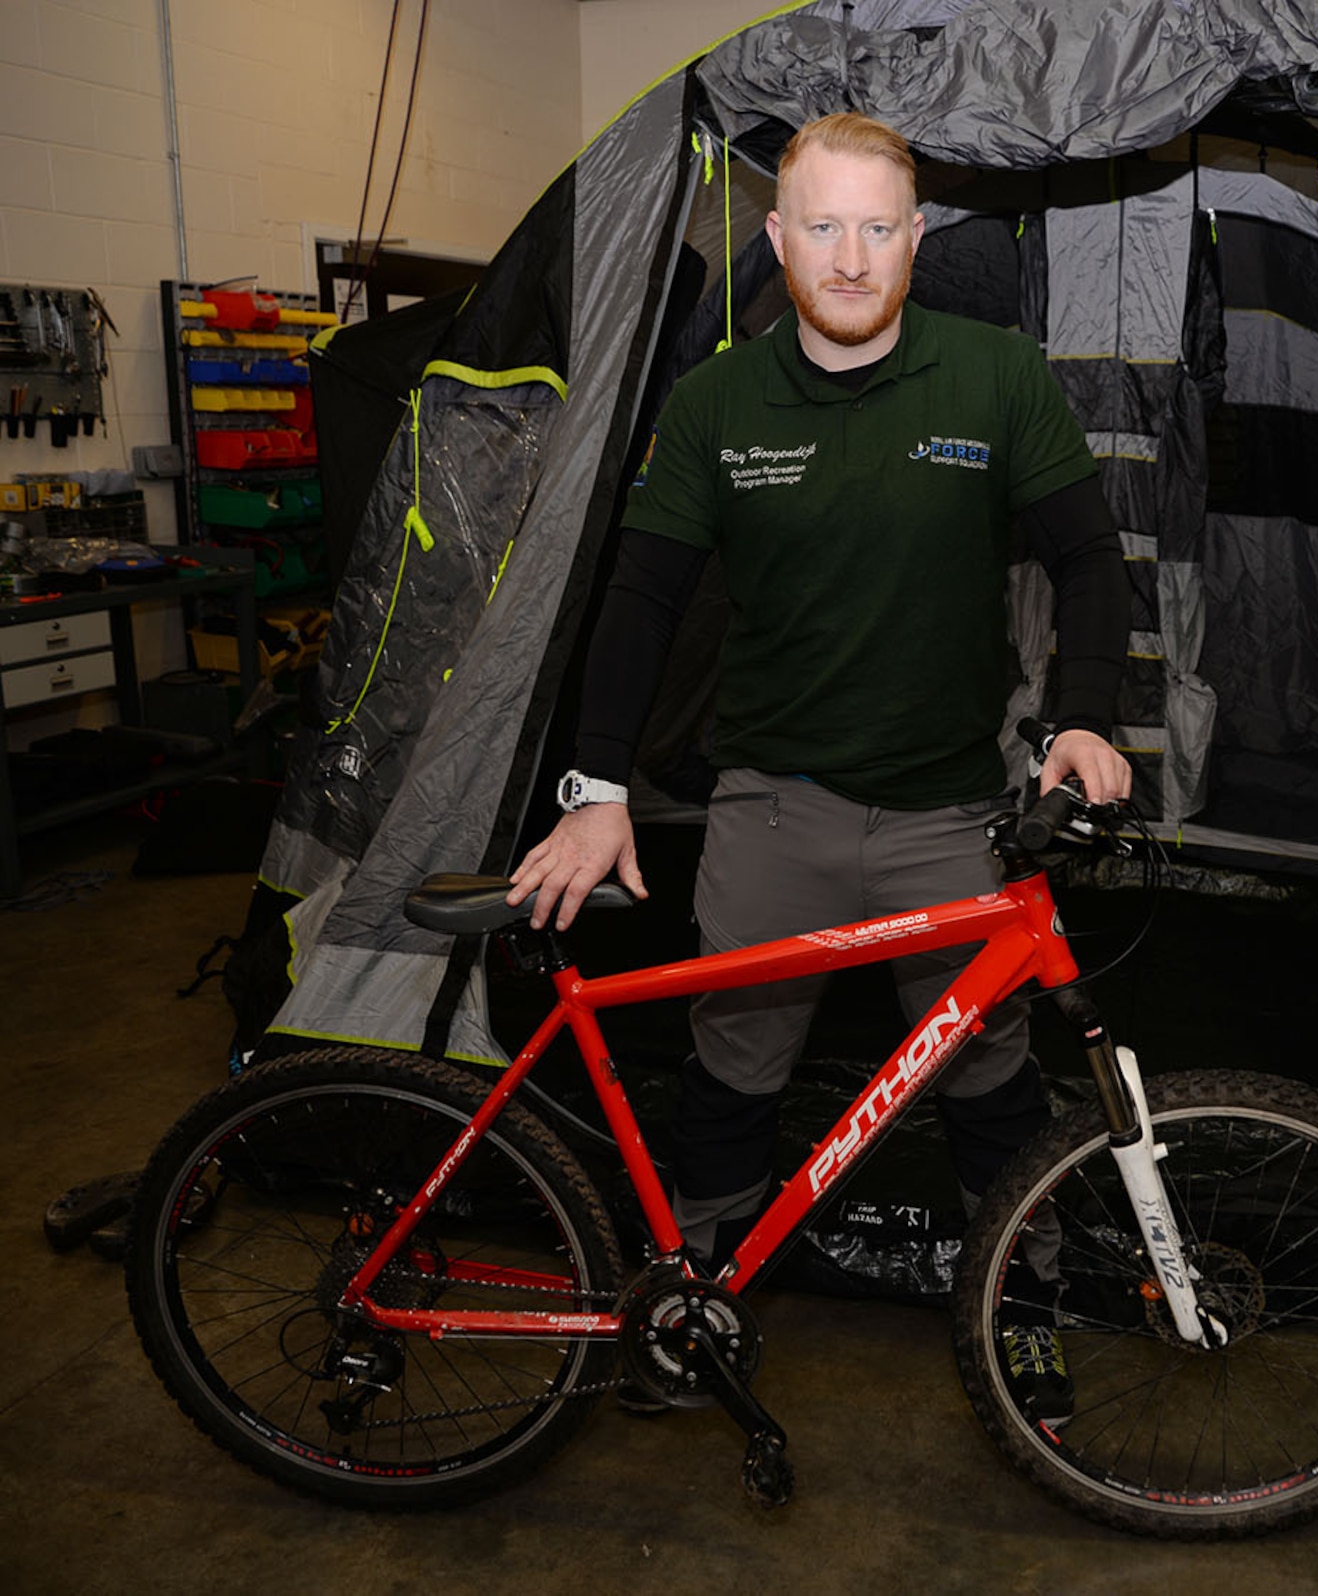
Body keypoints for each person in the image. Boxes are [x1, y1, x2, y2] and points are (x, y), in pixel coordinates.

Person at [507, 114, 1130, 1422]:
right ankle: (696, 1309)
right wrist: (595, 785)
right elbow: (638, 600)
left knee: (992, 1082)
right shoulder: (717, 401)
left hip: (953, 812)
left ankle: (1022, 1313)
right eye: (823, 226)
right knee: (733, 1074)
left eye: (878, 226)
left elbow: (1086, 556)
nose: (851, 259)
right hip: (771, 810)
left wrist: (1083, 718)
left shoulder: (997, 375)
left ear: (915, 237)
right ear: (780, 239)